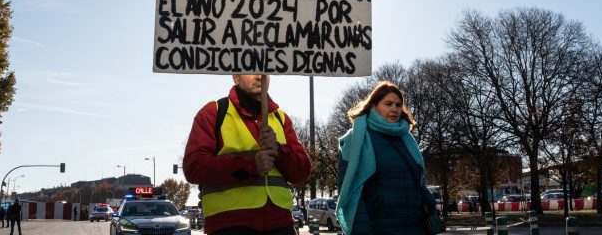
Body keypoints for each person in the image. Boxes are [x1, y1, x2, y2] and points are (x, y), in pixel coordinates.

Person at [183, 74, 311, 235]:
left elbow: (302, 172)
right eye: (251, 69)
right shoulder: (214, 112)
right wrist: (251, 166)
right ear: (235, 77)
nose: (259, 76)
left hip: (281, 224)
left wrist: (279, 151)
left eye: (265, 69)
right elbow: (193, 167)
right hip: (228, 226)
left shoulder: (281, 118)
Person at [336, 81, 440, 235]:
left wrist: (429, 203)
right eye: (388, 104)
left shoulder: (406, 138)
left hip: (416, 227)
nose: (394, 109)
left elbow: (417, 182)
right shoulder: (356, 139)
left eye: (398, 105)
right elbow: (351, 191)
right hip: (379, 227)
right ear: (373, 106)